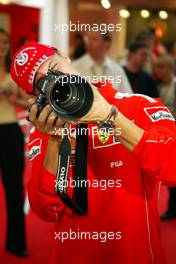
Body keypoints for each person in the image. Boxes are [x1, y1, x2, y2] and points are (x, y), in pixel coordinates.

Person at [10, 41, 176, 264]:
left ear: (67, 58)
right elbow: (45, 210)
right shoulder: (44, 130)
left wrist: (110, 117)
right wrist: (55, 141)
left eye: (54, 70)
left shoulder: (137, 106)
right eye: (42, 85)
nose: (57, 83)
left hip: (134, 254)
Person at [0, 28, 28, 257]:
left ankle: (16, 242)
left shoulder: (13, 71)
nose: (1, 47)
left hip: (10, 132)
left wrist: (13, 97)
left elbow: (29, 103)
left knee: (14, 191)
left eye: (4, 43)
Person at [155, 54, 176, 220]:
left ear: (170, 68)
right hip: (166, 135)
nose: (158, 70)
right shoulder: (159, 86)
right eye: (157, 66)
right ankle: (172, 207)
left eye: (162, 66)